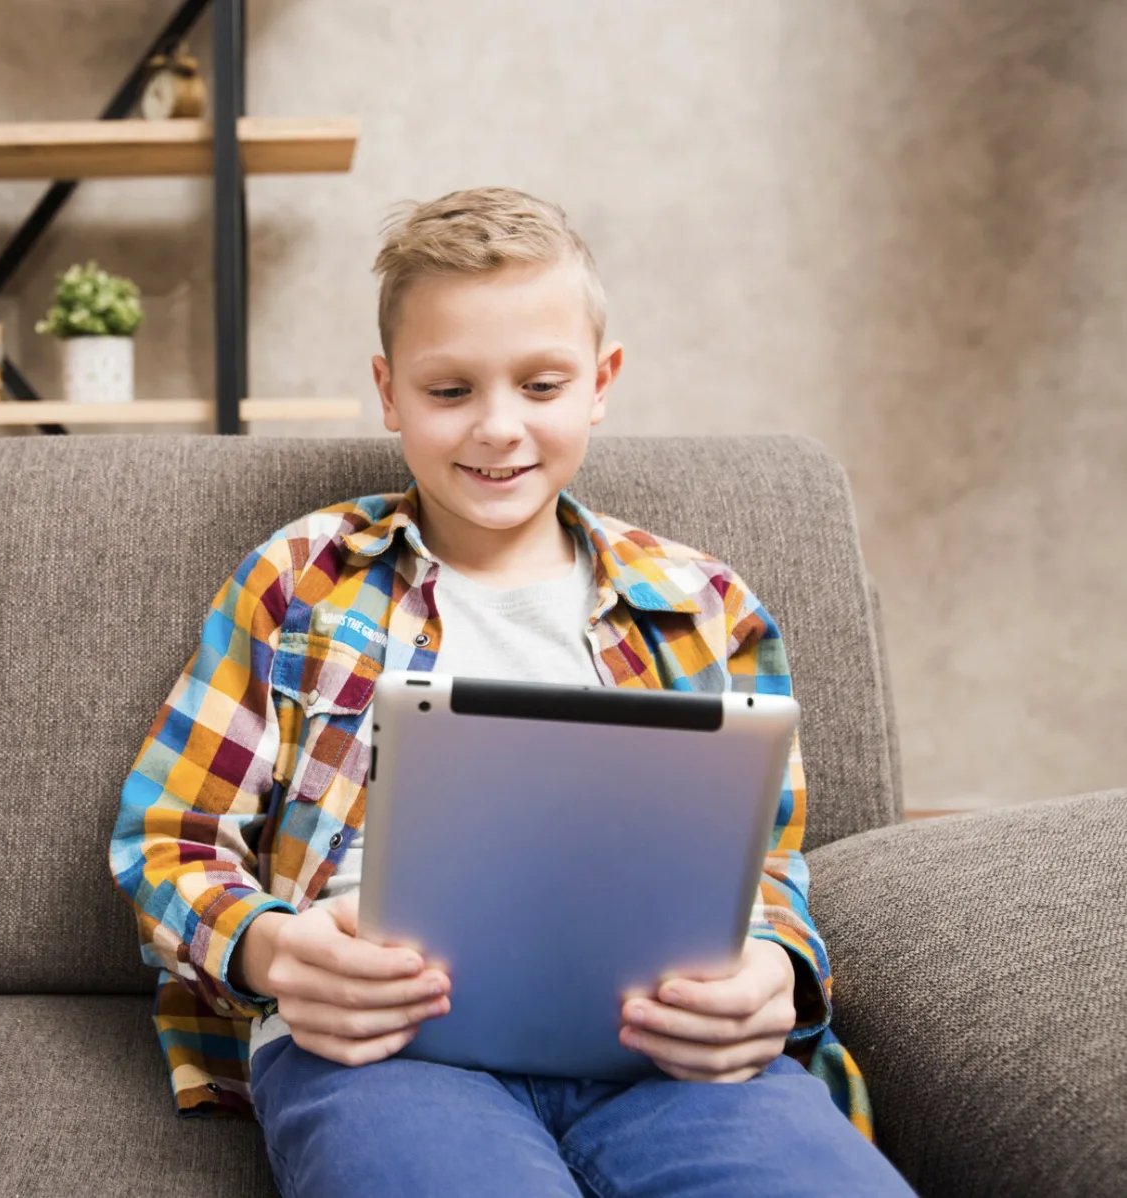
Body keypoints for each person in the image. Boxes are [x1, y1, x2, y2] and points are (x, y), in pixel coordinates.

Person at [108, 186, 913, 1195]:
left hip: (663, 1048)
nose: (498, 428)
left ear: (600, 381)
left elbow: (765, 870)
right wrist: (272, 950)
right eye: (450, 392)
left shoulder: (706, 604)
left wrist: (774, 974)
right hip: (384, 1047)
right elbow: (169, 838)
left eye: (541, 385)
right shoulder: (301, 576)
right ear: (389, 390)